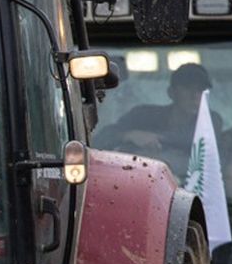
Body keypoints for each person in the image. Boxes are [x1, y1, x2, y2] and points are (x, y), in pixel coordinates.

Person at [94, 62, 222, 178]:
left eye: (200, 90)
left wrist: (154, 137)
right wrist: (128, 135)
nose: (195, 96)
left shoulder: (211, 121)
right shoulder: (143, 115)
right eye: (188, 88)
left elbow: (195, 141)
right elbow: (101, 140)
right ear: (171, 92)